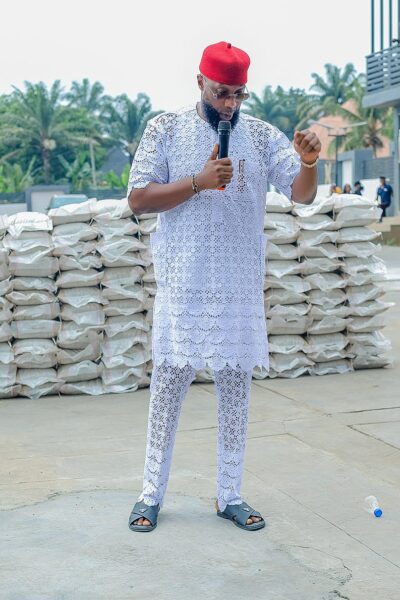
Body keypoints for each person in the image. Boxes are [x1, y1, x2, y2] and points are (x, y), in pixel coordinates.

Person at [126, 41, 321, 533]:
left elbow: (301, 195)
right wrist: (198, 181)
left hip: (237, 289)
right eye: (221, 93)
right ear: (200, 83)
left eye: (238, 94)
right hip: (183, 286)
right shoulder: (165, 129)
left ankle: (229, 495)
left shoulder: (262, 136)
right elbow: (138, 199)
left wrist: (309, 164)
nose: (230, 104)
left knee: (236, 396)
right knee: (167, 394)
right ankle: (150, 494)